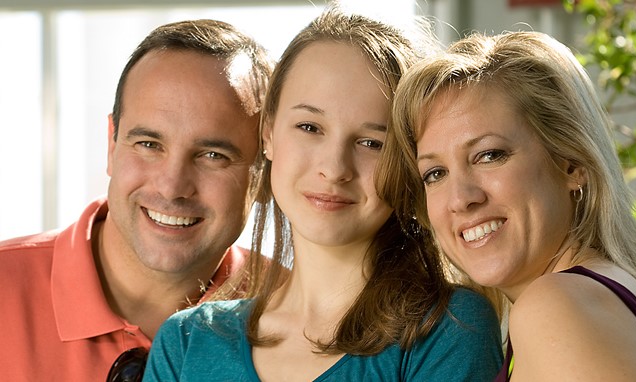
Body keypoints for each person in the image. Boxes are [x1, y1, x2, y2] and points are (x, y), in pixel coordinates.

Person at [143, 4, 504, 381]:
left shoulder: (449, 329)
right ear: (268, 133)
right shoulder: (184, 344)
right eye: (310, 127)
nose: (334, 169)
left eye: (371, 142)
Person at [376, 30, 636, 381]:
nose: (461, 199)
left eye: (489, 155)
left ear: (572, 164)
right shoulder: (596, 297)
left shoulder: (557, 308)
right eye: (435, 173)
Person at [0, 19, 274, 381]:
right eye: (148, 144)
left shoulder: (305, 317)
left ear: (264, 173)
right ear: (112, 144)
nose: (172, 186)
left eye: (212, 155)